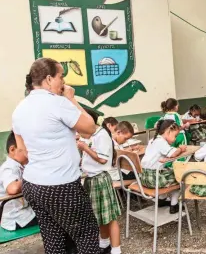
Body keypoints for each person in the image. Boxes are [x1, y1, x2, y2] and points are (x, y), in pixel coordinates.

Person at [12, 58, 100, 254]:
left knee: (53, 237)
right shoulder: (59, 103)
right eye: (62, 77)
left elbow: (23, 154)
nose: (64, 83)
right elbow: (91, 128)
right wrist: (70, 98)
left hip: (33, 184)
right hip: (61, 185)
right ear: (49, 79)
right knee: (86, 235)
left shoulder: (19, 109)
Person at [78, 116, 122, 254]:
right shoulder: (93, 135)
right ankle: (104, 243)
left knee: (110, 216)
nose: (79, 133)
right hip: (92, 179)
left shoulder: (102, 135)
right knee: (100, 215)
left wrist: (85, 148)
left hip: (100, 179)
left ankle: (116, 249)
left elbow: (102, 159)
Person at [141, 119, 186, 214]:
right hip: (154, 179)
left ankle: (162, 199)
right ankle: (174, 204)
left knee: (168, 171)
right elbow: (173, 153)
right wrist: (180, 149)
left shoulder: (153, 140)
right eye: (175, 135)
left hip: (143, 177)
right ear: (168, 132)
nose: (175, 138)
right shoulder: (161, 142)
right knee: (181, 176)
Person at [0, 131, 36, 231]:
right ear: (12, 149)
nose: (29, 153)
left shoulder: (20, 166)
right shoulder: (8, 168)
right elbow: (13, 188)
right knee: (53, 215)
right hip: (17, 218)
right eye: (26, 150)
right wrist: (32, 177)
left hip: (25, 212)